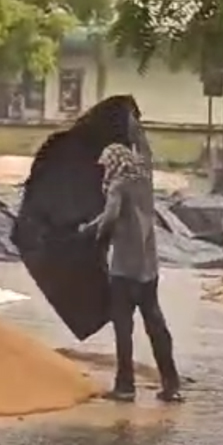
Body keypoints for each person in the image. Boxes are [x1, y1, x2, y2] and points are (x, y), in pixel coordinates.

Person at [78, 142, 183, 403]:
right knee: (156, 325)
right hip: (148, 267)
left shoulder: (118, 185)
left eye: (106, 165)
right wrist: (90, 226)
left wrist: (95, 238)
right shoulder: (144, 184)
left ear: (113, 163)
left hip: (125, 268)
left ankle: (125, 387)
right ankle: (171, 384)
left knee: (123, 328)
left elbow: (111, 216)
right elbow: (111, 214)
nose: (104, 170)